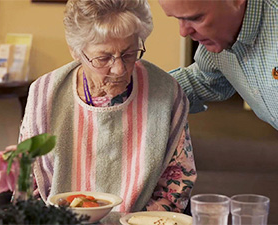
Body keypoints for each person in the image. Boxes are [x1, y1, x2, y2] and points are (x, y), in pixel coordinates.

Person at [157, 0, 278, 223]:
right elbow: (203, 81)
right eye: (178, 19)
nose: (184, 32)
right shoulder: (219, 38)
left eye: (195, 18)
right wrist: (139, 88)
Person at [15, 0, 196, 213]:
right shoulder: (44, 94)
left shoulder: (166, 92)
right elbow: (30, 184)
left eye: (129, 54)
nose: (119, 69)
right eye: (103, 58)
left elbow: (175, 187)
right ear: (76, 51)